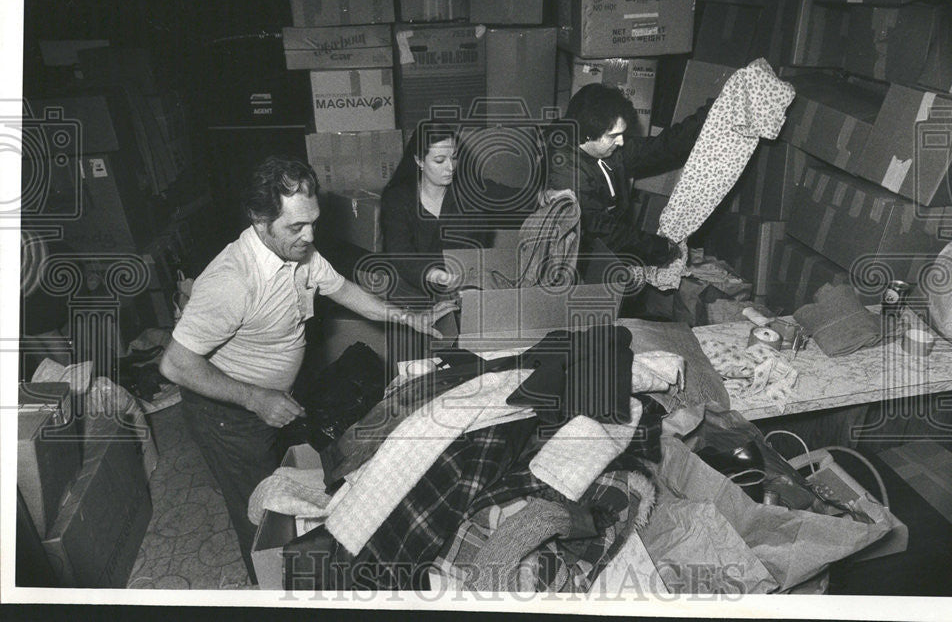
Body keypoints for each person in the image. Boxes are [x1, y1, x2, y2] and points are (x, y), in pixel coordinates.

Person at [159, 156, 455, 582]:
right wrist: (255, 398)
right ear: (260, 220)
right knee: (260, 515)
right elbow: (174, 363)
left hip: (270, 402)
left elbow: (343, 290)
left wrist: (409, 317)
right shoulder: (232, 280)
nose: (311, 235)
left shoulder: (300, 252)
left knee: (286, 493)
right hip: (228, 415)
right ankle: (273, 589)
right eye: (296, 227)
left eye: (313, 221)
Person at [544, 83, 711, 267]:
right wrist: (660, 248)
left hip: (611, 237)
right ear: (587, 136)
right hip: (578, 255)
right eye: (614, 136)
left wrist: (710, 115)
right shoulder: (565, 174)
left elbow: (662, 147)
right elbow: (601, 231)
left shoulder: (608, 146)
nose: (621, 141)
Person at [379, 121, 544, 298]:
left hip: (463, 286)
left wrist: (546, 196)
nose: (450, 168)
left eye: (454, 157)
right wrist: (434, 275)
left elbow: (512, 197)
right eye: (439, 160)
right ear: (419, 160)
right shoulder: (398, 198)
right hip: (413, 290)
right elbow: (399, 251)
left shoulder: (468, 192)